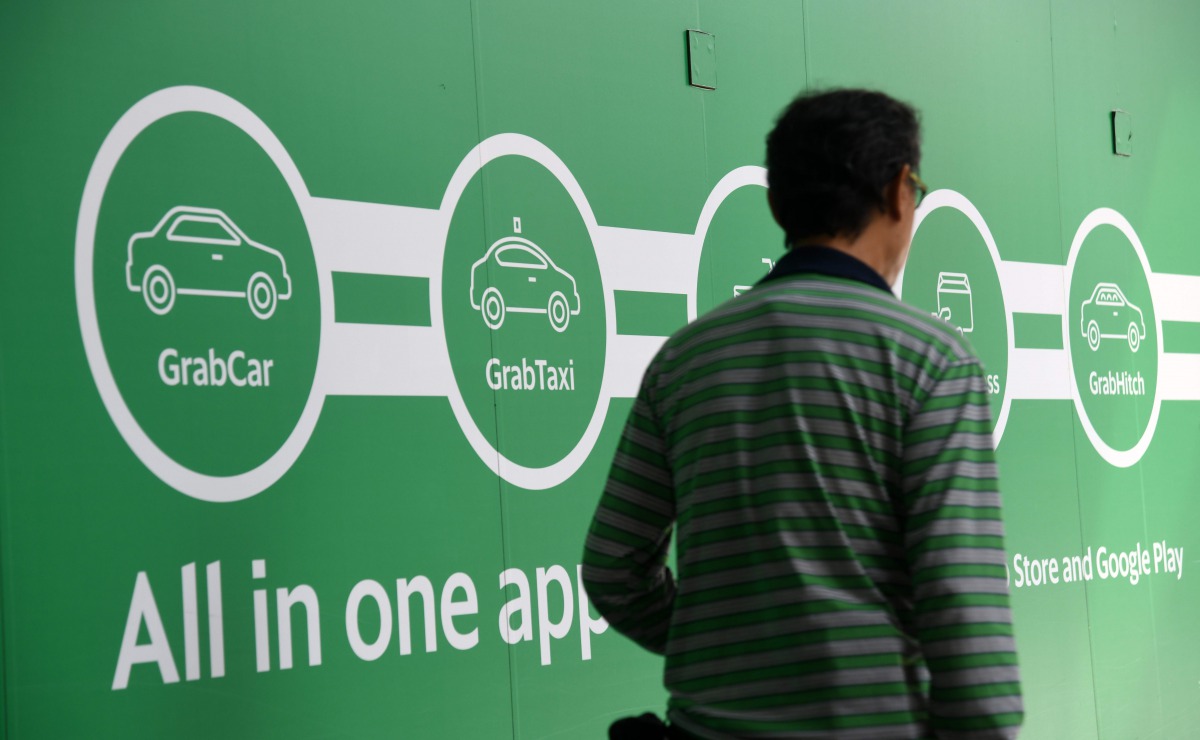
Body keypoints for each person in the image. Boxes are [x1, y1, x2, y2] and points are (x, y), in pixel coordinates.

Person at [582, 89, 1022, 739]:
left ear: (774, 201)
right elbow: (965, 619)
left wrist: (728, 652)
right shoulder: (932, 362)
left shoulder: (684, 360)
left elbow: (612, 568)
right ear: (900, 190)